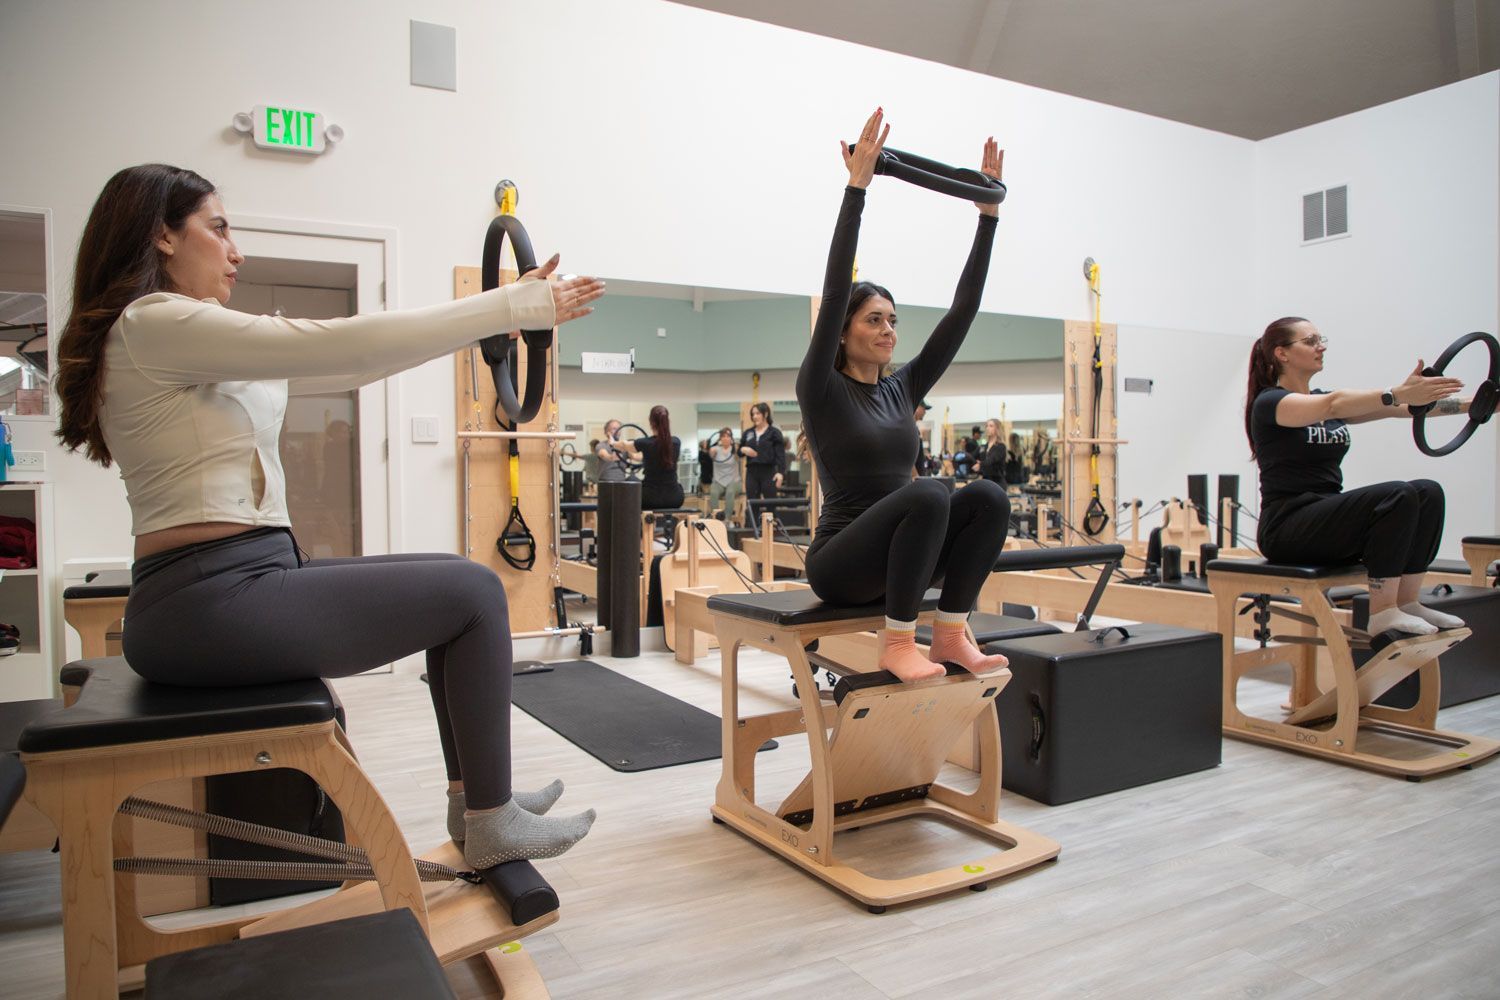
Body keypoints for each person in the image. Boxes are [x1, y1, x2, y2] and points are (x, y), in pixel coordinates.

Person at [53, 164, 602, 870]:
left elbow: (345, 363)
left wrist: (503, 307)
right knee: (473, 595)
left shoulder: (185, 338)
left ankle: (479, 803)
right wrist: (506, 309)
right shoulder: (151, 323)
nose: (235, 250)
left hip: (231, 583)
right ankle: (491, 819)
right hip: (204, 599)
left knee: (453, 580)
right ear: (161, 234)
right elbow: (336, 345)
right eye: (218, 229)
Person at [797, 109, 1011, 683]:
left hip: (903, 553)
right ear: (842, 332)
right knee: (931, 493)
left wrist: (986, 215)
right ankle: (897, 643)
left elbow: (962, 311)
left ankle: (947, 635)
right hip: (842, 562)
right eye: (874, 320)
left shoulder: (903, 387)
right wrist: (857, 190)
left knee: (988, 497)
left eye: (893, 320)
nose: (889, 330)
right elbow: (836, 282)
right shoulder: (820, 385)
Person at [1245, 316, 1473, 636]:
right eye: (1310, 341)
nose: (1320, 346)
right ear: (1281, 353)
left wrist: (1477, 405)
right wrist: (1395, 391)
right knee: (1397, 494)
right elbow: (1333, 405)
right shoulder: (1270, 403)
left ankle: (1407, 603)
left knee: (1427, 492)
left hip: (1326, 520)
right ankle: (1382, 612)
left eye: (1321, 339)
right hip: (1287, 527)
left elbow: (1407, 408)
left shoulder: (1326, 401)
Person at [614, 405, 683, 510]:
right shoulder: (676, 442)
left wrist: (612, 442)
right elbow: (656, 455)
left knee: (632, 480)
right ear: (667, 421)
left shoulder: (644, 443)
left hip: (650, 498)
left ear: (651, 422)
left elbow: (624, 445)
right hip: (675, 498)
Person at [739, 402, 786, 520]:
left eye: (757, 413)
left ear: (765, 414)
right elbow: (739, 452)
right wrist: (743, 449)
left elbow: (781, 455)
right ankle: (752, 532)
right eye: (752, 414)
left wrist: (780, 472)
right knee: (752, 502)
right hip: (751, 471)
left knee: (771, 503)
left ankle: (772, 531)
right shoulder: (748, 433)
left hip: (768, 471)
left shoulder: (774, 432)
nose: (754, 416)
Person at [708, 427, 742, 520]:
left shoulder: (735, 449)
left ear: (731, 438)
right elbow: (710, 453)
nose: (725, 438)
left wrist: (735, 449)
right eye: (723, 436)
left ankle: (727, 519)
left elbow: (738, 457)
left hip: (734, 481)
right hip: (718, 481)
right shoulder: (715, 449)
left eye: (728, 436)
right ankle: (716, 518)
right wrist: (711, 449)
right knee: (713, 493)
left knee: (730, 492)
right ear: (720, 438)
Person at [595, 418, 632, 483]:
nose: (618, 431)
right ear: (607, 432)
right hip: (605, 482)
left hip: (621, 481)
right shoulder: (601, 445)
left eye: (619, 428)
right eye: (614, 428)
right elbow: (610, 457)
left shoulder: (624, 446)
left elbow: (637, 457)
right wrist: (613, 444)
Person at [979, 417, 1008, 485]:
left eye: (991, 426)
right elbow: (974, 457)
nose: (987, 428)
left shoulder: (1000, 446)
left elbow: (991, 460)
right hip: (985, 482)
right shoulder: (984, 446)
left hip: (997, 483)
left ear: (997, 429)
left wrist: (980, 464)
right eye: (987, 426)